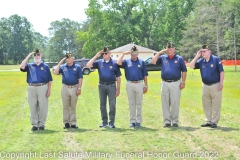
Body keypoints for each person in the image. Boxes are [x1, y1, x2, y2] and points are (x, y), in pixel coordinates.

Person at [152, 42, 187, 127]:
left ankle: (175, 121)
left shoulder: (179, 58)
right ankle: (167, 121)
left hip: (175, 83)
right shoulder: (163, 58)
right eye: (168, 49)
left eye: (171, 49)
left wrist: (183, 82)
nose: (169, 50)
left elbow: (184, 70)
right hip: (164, 83)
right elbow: (153, 61)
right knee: (165, 102)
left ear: (174, 49)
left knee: (175, 102)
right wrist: (160, 52)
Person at [189, 44, 224, 128]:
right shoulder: (201, 61)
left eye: (204, 51)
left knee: (216, 104)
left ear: (209, 51)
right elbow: (191, 66)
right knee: (206, 104)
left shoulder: (215, 59)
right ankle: (208, 120)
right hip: (205, 86)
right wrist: (197, 56)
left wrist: (221, 83)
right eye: (202, 51)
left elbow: (221, 72)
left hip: (215, 85)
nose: (203, 53)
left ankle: (214, 122)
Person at [87, 46, 121, 128]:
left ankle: (111, 122)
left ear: (110, 54)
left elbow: (118, 77)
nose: (104, 55)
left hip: (112, 85)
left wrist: (118, 89)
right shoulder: (99, 62)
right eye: (103, 53)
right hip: (101, 85)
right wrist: (96, 55)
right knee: (102, 104)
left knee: (112, 104)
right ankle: (104, 122)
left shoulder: (114, 63)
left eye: (106, 53)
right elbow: (88, 65)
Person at [20, 48, 52, 131]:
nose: (36, 56)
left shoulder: (45, 66)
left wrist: (49, 90)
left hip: (43, 86)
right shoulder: (30, 65)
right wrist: (29, 56)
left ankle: (41, 124)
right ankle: (34, 124)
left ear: (41, 55)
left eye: (38, 55)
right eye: (35, 55)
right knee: (33, 106)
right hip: (31, 87)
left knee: (43, 106)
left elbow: (49, 79)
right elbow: (21, 66)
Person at [117, 45, 148, 128]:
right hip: (129, 84)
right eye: (132, 53)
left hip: (139, 83)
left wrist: (146, 85)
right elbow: (118, 63)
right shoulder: (126, 62)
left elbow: (145, 74)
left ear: (138, 53)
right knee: (131, 103)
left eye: (135, 53)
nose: (134, 55)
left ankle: (138, 121)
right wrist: (123, 53)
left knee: (139, 103)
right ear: (130, 53)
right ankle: (132, 121)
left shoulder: (141, 62)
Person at [53, 53, 83, 129]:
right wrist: (60, 63)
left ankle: (73, 122)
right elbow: (55, 72)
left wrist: (79, 88)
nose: (68, 59)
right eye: (67, 58)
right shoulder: (63, 67)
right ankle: (66, 122)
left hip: (74, 87)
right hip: (65, 88)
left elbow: (80, 78)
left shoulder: (77, 67)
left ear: (73, 59)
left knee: (73, 106)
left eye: (69, 58)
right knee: (65, 106)